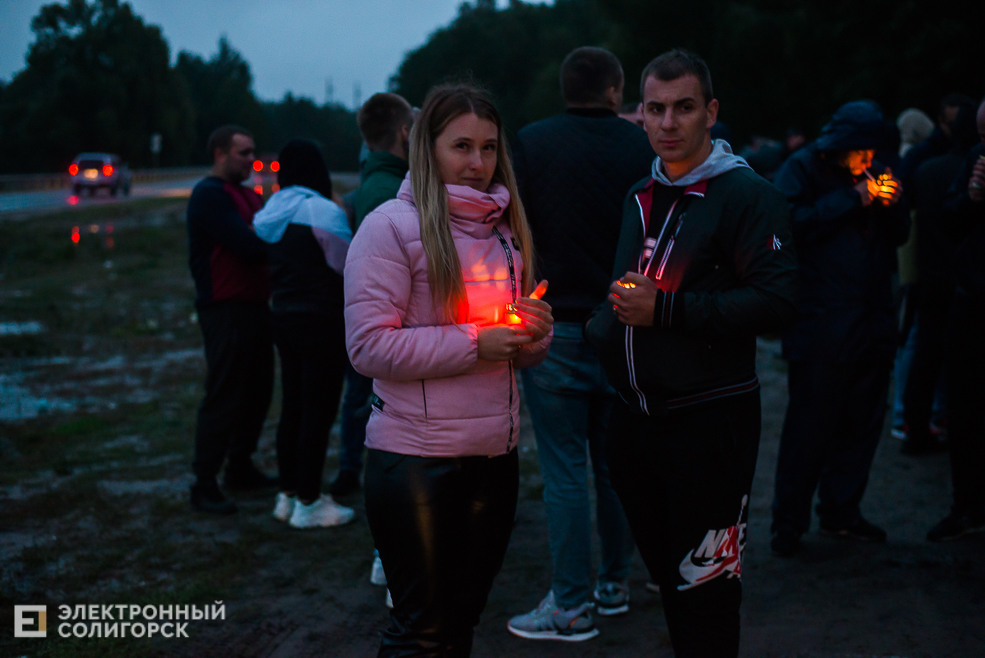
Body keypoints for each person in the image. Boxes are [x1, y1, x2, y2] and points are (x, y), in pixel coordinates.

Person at [584, 50, 798, 657]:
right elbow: (628, 286)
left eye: (683, 108)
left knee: (706, 588)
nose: (669, 122)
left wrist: (670, 311)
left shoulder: (748, 196)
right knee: (670, 582)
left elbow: (779, 302)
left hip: (710, 427)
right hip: (632, 425)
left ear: (711, 112)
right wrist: (599, 329)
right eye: (656, 109)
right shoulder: (638, 193)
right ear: (640, 116)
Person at [345, 84, 553, 657]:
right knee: (422, 632)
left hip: (494, 457)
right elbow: (368, 348)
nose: (478, 163)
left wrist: (534, 334)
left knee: (461, 622)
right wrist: (477, 344)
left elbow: (520, 351)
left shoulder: (505, 229)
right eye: (461, 145)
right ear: (426, 147)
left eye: (488, 147)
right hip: (416, 461)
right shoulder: (389, 226)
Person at [505, 46, 652, 642]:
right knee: (614, 466)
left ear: (565, 87)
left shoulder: (532, 142)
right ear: (617, 91)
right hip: (622, 324)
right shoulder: (640, 146)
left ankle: (570, 605)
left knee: (564, 471)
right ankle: (612, 586)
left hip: (555, 326)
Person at [770, 101, 908, 556]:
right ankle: (787, 523)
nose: (869, 162)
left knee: (862, 426)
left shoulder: (876, 166)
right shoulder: (802, 167)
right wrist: (853, 200)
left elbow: (900, 233)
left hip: (872, 320)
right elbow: (784, 227)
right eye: (861, 153)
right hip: (821, 326)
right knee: (809, 430)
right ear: (841, 147)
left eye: (873, 153)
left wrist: (888, 203)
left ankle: (841, 512)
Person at [252, 139, 356, 529]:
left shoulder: (271, 210)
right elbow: (348, 265)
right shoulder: (322, 211)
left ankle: (289, 494)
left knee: (292, 406)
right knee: (319, 409)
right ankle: (310, 503)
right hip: (322, 321)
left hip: (282, 317)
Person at [187, 125, 276, 515]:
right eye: (243, 152)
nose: (250, 159)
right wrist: (269, 236)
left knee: (258, 391)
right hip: (225, 309)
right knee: (224, 394)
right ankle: (204, 483)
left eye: (252, 151)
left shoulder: (249, 195)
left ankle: (239, 467)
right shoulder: (209, 196)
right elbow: (251, 245)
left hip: (255, 306)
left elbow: (266, 236)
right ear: (220, 154)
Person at [330, 92, 415, 499]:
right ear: (404, 131)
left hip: (366, 314)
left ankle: (350, 469)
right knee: (367, 398)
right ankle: (356, 473)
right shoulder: (392, 190)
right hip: (388, 321)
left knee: (358, 396)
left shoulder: (372, 182)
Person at [899, 106, 980, 455]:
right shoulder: (957, 172)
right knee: (945, 358)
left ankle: (913, 425)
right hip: (961, 279)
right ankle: (934, 422)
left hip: (931, 274)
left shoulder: (926, 169)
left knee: (923, 351)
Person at [927, 98, 985, 542]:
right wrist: (971, 198)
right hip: (972, 298)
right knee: (964, 406)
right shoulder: (974, 161)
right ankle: (966, 505)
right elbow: (947, 220)